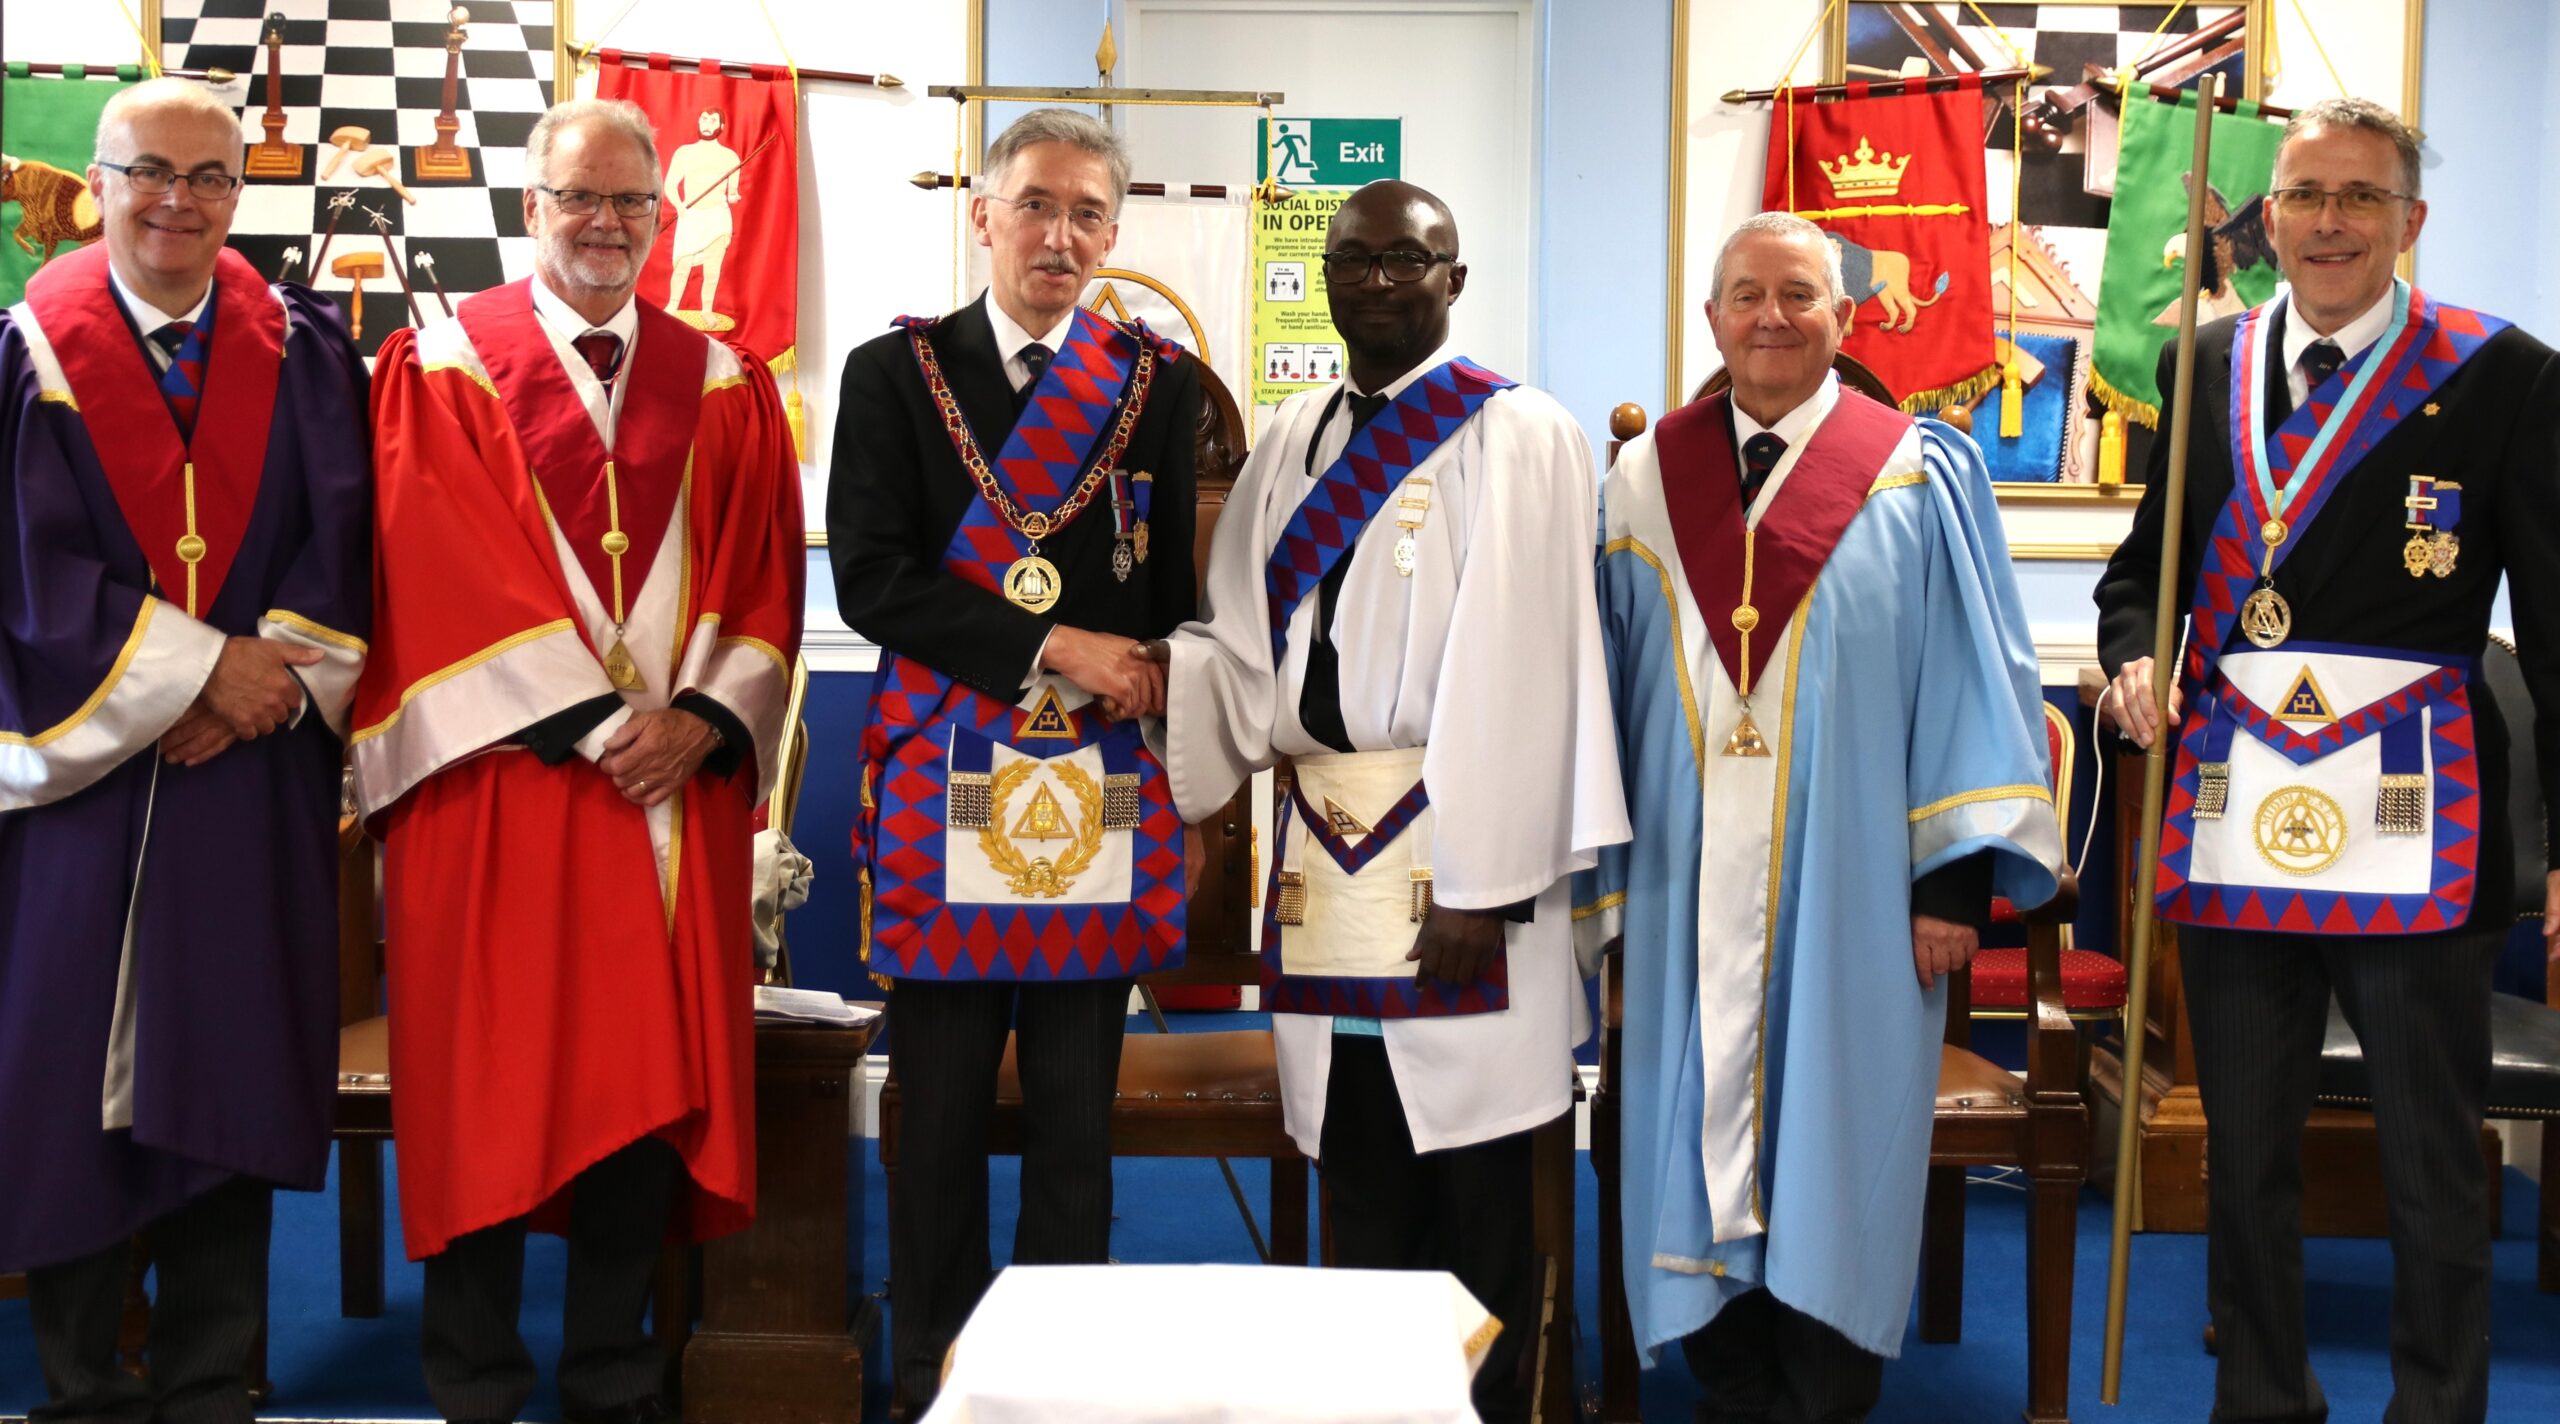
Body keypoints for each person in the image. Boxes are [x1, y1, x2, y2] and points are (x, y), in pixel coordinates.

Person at [2095, 97, 2560, 1424]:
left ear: (2411, 222)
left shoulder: (2504, 375)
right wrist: (2135, 652)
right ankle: (2261, 1397)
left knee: (2427, 1160)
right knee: (2244, 1149)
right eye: (2307, 198)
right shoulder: (2205, 364)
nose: (2331, 223)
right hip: (2238, 809)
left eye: (2361, 198)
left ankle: (2437, 1405)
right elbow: (2145, 577)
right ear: (2270, 219)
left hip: (2421, 822)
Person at [353, 97, 803, 1424]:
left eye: (631, 203)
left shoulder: (724, 383)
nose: (606, 225)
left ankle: (614, 1372)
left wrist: (706, 722)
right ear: (531, 205)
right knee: (486, 1079)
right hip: (498, 789)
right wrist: (607, 725)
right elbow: (431, 571)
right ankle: (477, 1382)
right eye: (578, 199)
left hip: (669, 794)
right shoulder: (438, 366)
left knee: (639, 1076)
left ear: (662, 214)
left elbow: (763, 580)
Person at [1148, 179, 1627, 1424]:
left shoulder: (1518, 431)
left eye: (1402, 262)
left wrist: (1483, 879)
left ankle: (1497, 1404)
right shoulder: (1296, 435)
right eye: (1350, 262)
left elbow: (1527, 664)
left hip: (1453, 852)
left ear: (1451, 279)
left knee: (1474, 1174)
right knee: (1356, 1155)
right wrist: (1173, 700)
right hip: (1323, 850)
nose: (1372, 281)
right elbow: (1238, 634)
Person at [1578, 211, 2062, 1422]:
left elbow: (1971, 674)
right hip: (1686, 883)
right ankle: (1726, 1372)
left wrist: (1950, 886)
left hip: (1856, 883)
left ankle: (1827, 1379)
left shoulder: (1918, 468)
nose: (1771, 317)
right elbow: (1605, 684)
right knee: (1687, 1114)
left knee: (1841, 1123)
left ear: (1844, 317)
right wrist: (1610, 890)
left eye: (1799, 295)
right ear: (1711, 319)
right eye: (1746, 295)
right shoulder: (1642, 476)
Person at [0, 76, 371, 1423]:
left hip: (252, 774)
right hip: (81, 792)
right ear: (97, 182)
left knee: (230, 1058)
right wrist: (203, 668)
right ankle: (87, 1390)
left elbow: (348, 542)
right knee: (66, 1084)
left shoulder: (309, 350)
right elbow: (23, 578)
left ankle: (219, 1383)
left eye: (210, 177)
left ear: (236, 196)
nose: (178, 200)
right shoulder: (25, 356)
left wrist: (265, 681)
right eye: (150, 170)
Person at [827, 106, 1201, 1415]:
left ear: (1114, 231)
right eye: (1035, 204)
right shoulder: (892, 376)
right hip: (943, 774)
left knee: (1073, 1122)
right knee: (931, 1118)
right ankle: (939, 1366)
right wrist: (1055, 642)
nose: (1060, 233)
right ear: (981, 214)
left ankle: (1059, 1373)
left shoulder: (1157, 383)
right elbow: (871, 582)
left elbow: (1172, 595)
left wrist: (1170, 737)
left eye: (1089, 212)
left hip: (1094, 780)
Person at [662, 107, 740, 314]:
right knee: (683, 264)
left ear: (721, 126)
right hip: (691, 215)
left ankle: (707, 309)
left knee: (713, 266)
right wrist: (680, 206)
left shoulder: (730, 157)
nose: (707, 125)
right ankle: (673, 304)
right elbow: (670, 185)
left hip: (717, 216)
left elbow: (732, 191)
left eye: (713, 121)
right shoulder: (685, 153)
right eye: (704, 119)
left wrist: (734, 196)